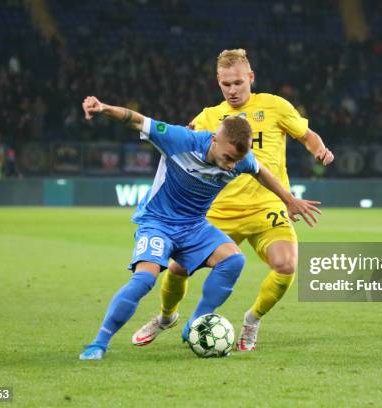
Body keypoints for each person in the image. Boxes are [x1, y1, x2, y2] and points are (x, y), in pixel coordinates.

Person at [78, 95, 321, 360]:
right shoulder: (179, 139)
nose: (230, 165)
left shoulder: (241, 159)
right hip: (158, 223)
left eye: (235, 161)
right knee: (145, 279)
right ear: (215, 139)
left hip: (194, 226)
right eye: (227, 157)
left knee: (233, 261)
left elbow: (262, 171)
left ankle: (195, 322)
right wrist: (103, 108)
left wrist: (289, 200)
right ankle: (99, 343)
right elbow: (135, 120)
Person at [133, 49, 334, 351]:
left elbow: (307, 135)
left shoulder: (275, 106)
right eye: (226, 84)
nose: (233, 90)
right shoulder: (209, 117)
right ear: (218, 82)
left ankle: (252, 321)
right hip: (219, 211)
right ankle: (165, 318)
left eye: (238, 82)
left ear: (250, 78)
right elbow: (180, 144)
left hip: (266, 207)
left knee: (287, 264)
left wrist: (319, 149)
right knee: (176, 270)